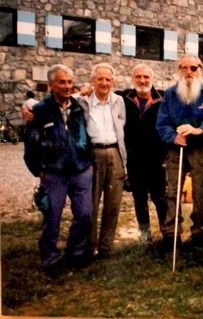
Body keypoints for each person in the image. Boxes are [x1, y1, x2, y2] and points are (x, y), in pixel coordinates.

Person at [24, 64, 93, 275]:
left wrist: (88, 162)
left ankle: (76, 253)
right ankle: (50, 259)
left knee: (85, 214)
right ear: (51, 85)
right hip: (54, 173)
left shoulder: (79, 106)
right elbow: (31, 144)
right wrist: (39, 171)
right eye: (62, 82)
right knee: (52, 217)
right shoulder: (40, 110)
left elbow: (88, 133)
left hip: (81, 170)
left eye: (70, 82)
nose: (66, 86)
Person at [156, 55, 203, 248]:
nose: (188, 72)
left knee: (199, 192)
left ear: (200, 70)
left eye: (193, 68)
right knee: (173, 191)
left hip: (200, 148)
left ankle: (199, 232)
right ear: (179, 70)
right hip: (176, 147)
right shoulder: (170, 94)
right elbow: (161, 123)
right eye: (184, 68)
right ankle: (172, 233)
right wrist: (173, 136)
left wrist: (200, 129)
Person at [74, 63, 127, 259]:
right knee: (91, 204)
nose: (104, 83)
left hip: (115, 153)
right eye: (100, 79)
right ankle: (89, 246)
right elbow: (58, 101)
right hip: (93, 154)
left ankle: (106, 247)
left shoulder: (119, 100)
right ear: (92, 81)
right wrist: (27, 109)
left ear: (112, 82)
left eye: (108, 79)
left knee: (113, 204)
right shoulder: (82, 100)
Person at [115, 64, 168, 244]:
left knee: (160, 197)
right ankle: (144, 232)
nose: (142, 80)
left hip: (157, 157)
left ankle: (166, 231)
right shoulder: (122, 97)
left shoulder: (164, 97)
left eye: (146, 77)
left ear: (152, 78)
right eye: (138, 77)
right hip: (134, 157)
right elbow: (96, 96)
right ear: (132, 78)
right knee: (139, 197)